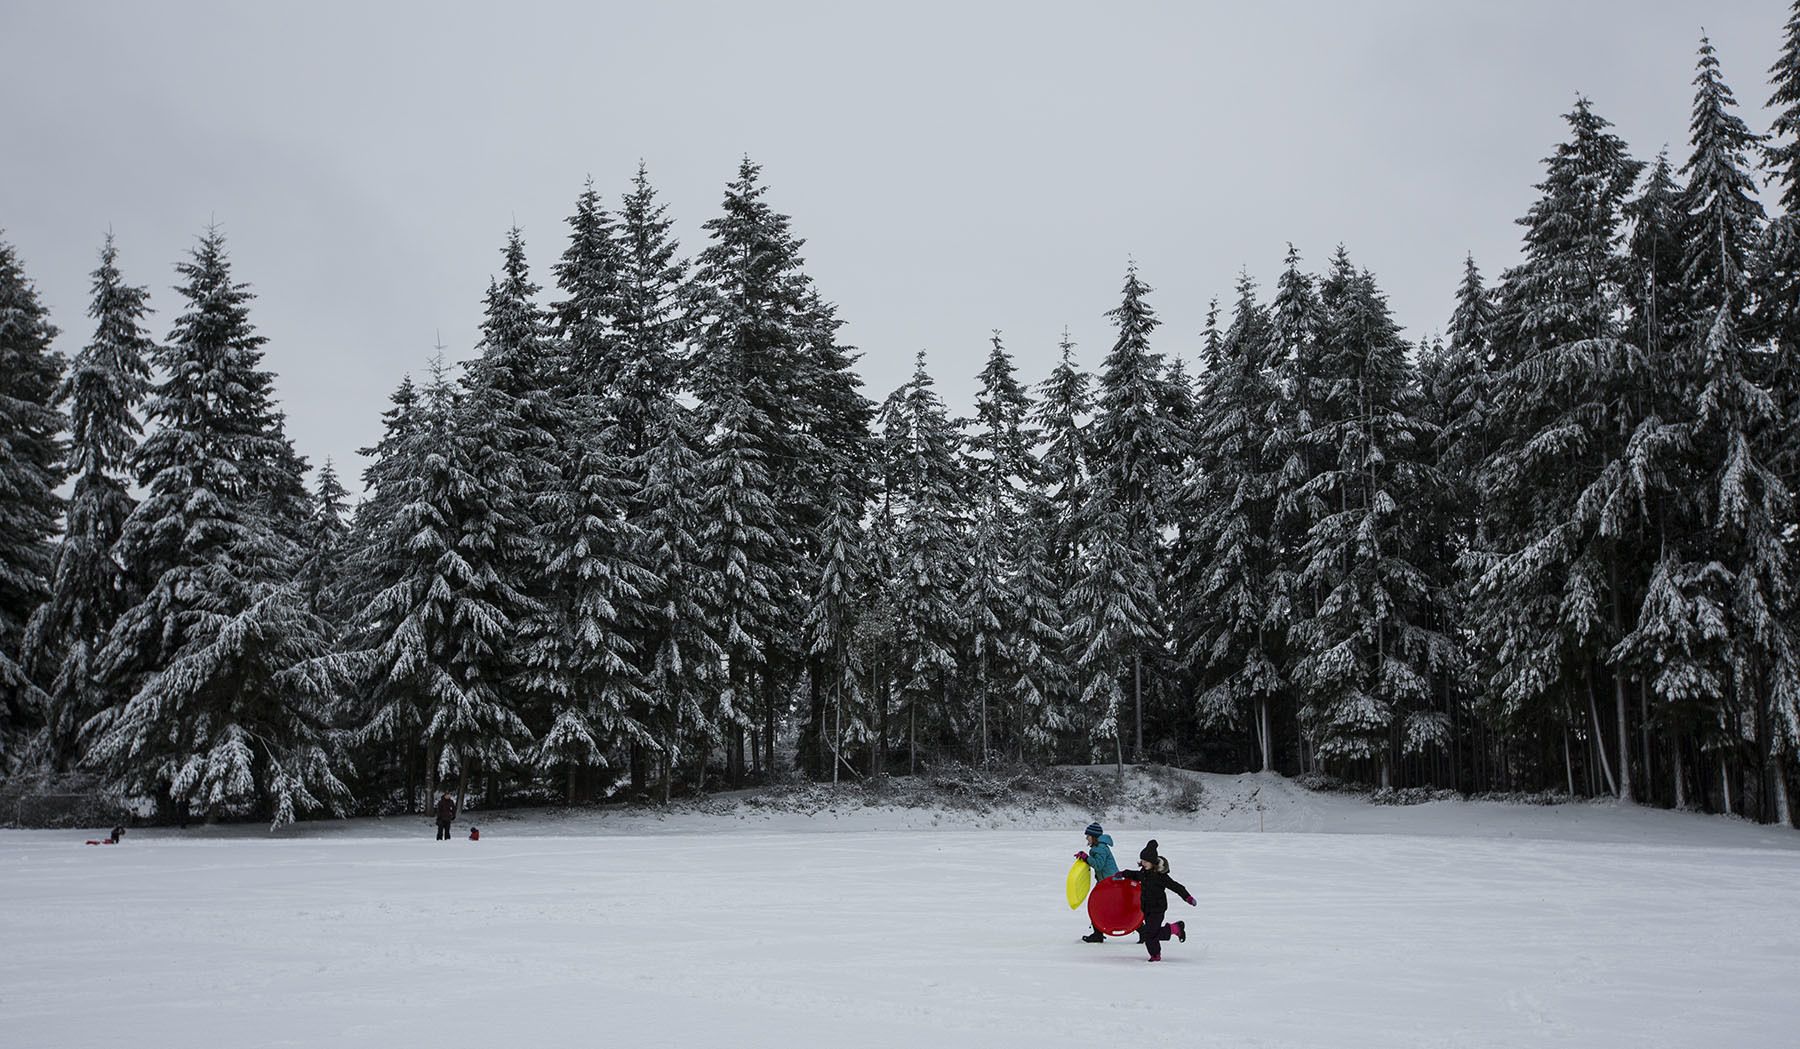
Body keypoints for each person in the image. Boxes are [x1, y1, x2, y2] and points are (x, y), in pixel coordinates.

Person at [1117, 839, 1195, 962]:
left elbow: (1176, 886)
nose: (1143, 863)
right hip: (1147, 908)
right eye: (1142, 860)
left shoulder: (1161, 877)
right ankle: (1174, 930)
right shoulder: (1143, 873)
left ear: (1153, 862)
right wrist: (1123, 873)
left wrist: (1187, 897)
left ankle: (1156, 953)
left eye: (1146, 861)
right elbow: (1135, 875)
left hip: (1158, 908)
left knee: (1149, 934)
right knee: (1151, 933)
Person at [1075, 821, 1118, 943]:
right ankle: (1098, 933)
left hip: (1110, 884)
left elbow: (1098, 865)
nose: (1086, 838)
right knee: (1102, 907)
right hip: (1108, 883)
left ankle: (1098, 934)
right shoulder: (1099, 847)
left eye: (1088, 836)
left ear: (1093, 837)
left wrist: (1086, 857)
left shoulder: (1100, 849)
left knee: (1097, 906)